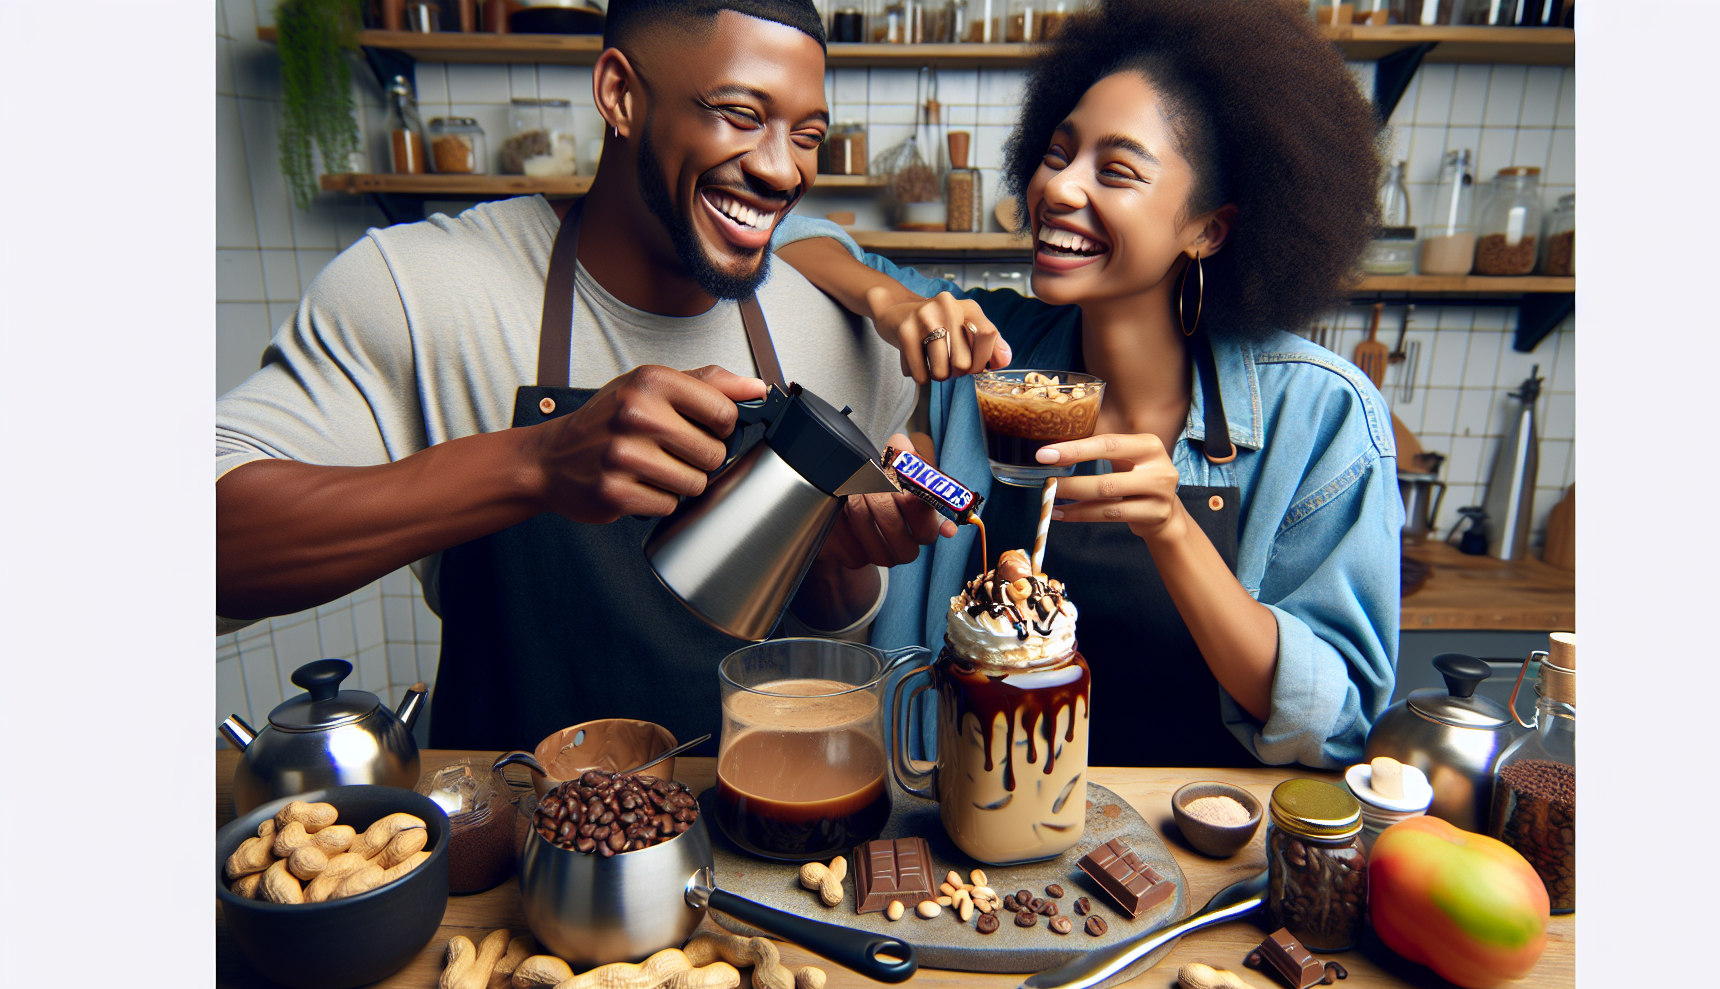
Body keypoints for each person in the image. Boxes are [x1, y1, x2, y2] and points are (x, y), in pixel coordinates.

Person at [215, 0, 950, 753]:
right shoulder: (420, 289)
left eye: (806, 137)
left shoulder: (839, 337)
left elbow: (830, 634)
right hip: (511, 841)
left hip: (753, 844)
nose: (779, 168)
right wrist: (535, 461)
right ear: (620, 95)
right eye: (737, 113)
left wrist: (838, 565)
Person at [771, 0, 1398, 769]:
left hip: (1187, 851)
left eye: (1117, 171)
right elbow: (794, 241)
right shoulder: (988, 350)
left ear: (1209, 229)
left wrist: (1172, 530)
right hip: (958, 835)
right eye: (1058, 153)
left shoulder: (1323, 413)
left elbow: (1337, 718)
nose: (1059, 189)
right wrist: (891, 298)